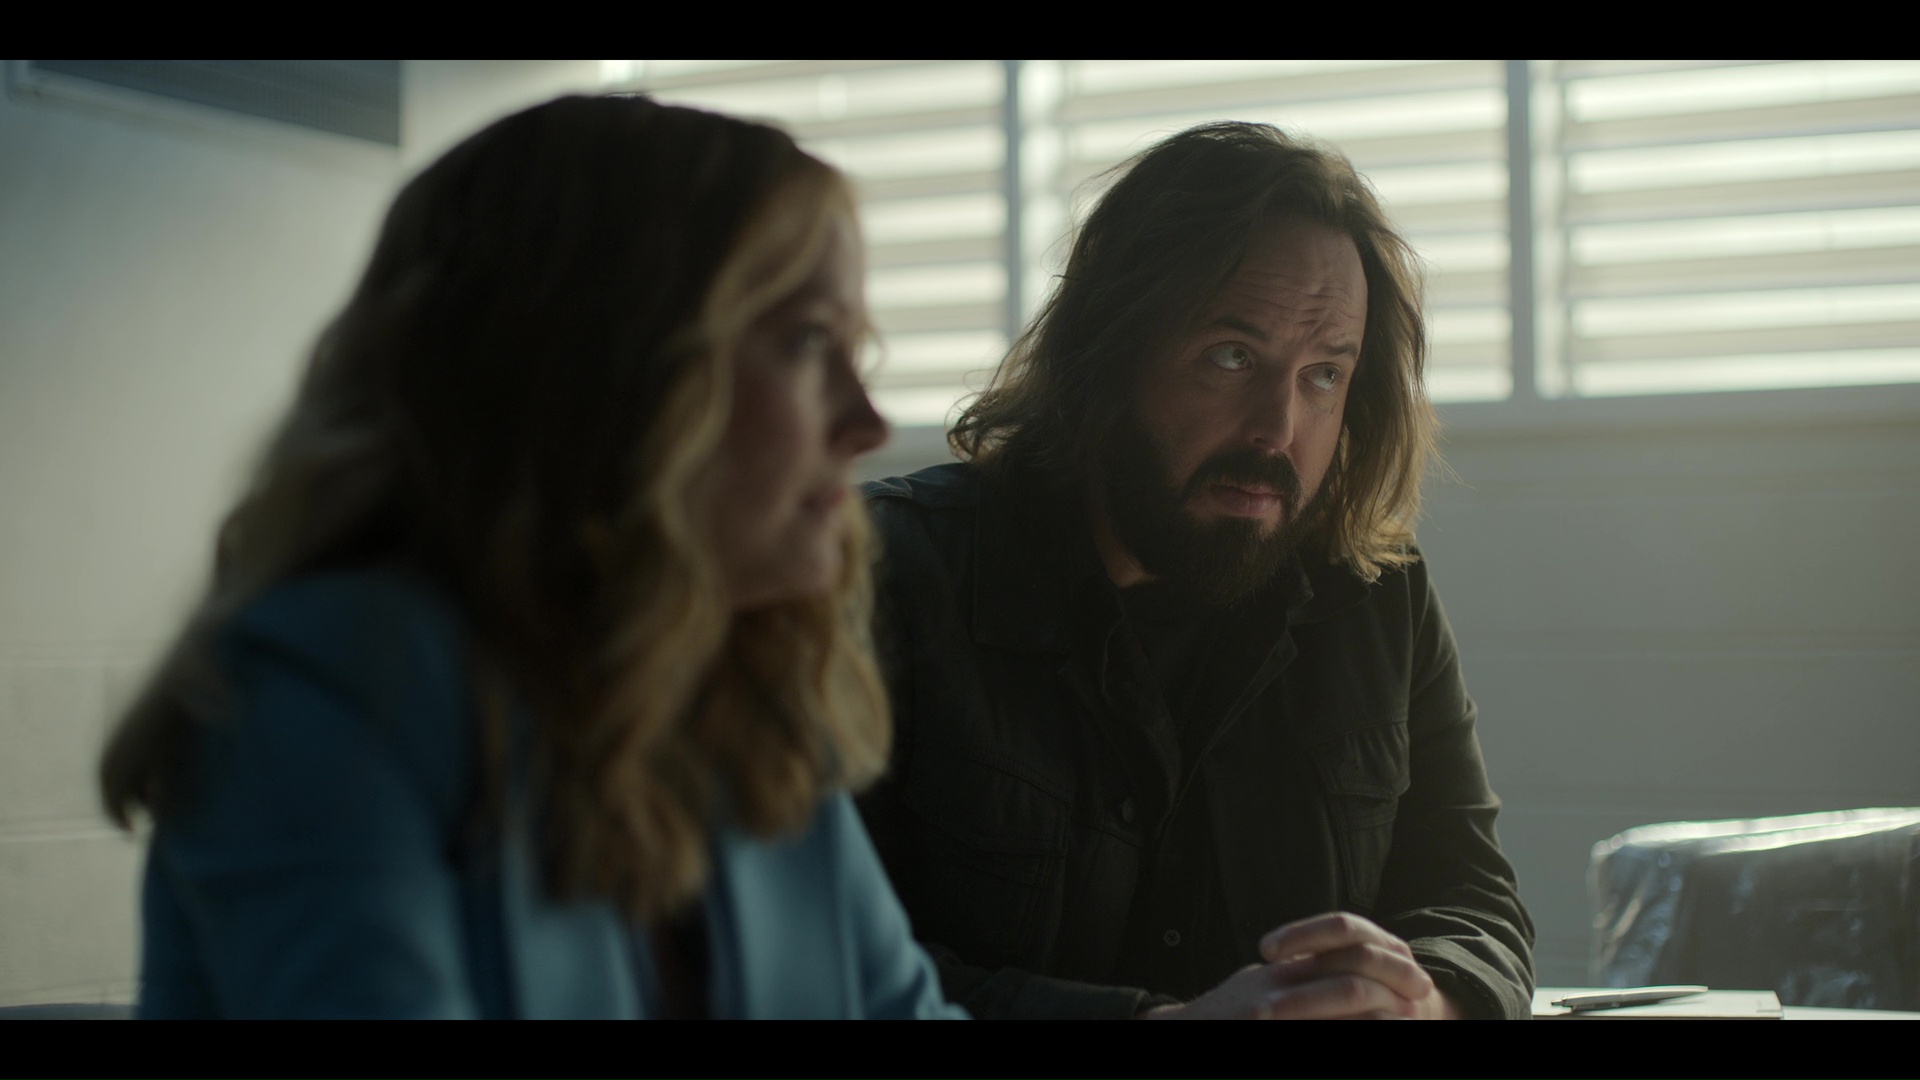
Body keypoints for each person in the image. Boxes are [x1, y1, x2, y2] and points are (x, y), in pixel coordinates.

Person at [99, 95, 963, 1019]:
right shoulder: (327, 688)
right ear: (605, 372)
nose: (869, 423)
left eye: (856, 351)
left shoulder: (741, 698)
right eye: (808, 340)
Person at [858, 122, 1534, 1019]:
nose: (1277, 430)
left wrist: (1422, 1001)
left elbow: (1474, 903)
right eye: (1232, 356)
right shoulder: (885, 577)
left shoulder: (1376, 595)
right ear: (1108, 353)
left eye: (1323, 375)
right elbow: (809, 966)